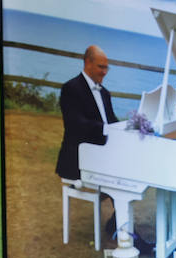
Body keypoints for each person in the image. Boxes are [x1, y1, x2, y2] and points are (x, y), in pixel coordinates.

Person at [56, 44, 118, 235]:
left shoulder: (105, 93)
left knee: (127, 169)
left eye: (106, 67)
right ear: (87, 63)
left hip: (100, 154)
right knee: (121, 174)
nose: (104, 72)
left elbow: (112, 122)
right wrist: (106, 130)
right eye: (101, 67)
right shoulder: (70, 88)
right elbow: (76, 124)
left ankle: (119, 222)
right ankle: (120, 225)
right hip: (78, 159)